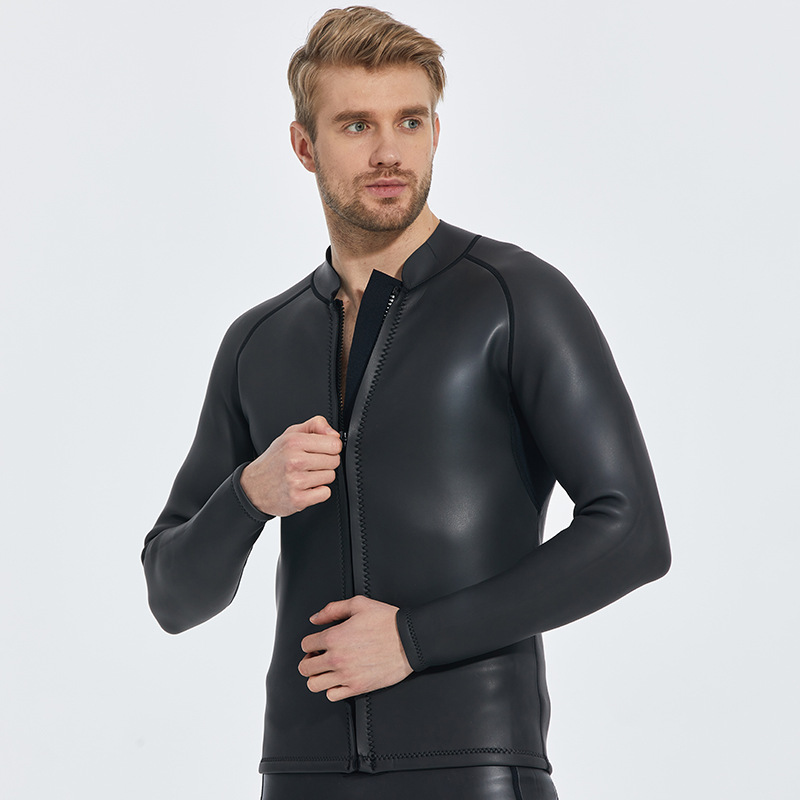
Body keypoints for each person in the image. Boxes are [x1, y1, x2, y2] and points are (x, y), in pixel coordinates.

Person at [141, 7, 671, 799]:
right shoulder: (258, 342)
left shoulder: (515, 298)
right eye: (357, 125)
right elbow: (173, 595)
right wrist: (250, 493)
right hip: (302, 777)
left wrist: (412, 640)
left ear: (434, 132)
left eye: (410, 122)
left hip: (475, 767)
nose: (389, 151)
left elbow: (632, 533)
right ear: (304, 146)